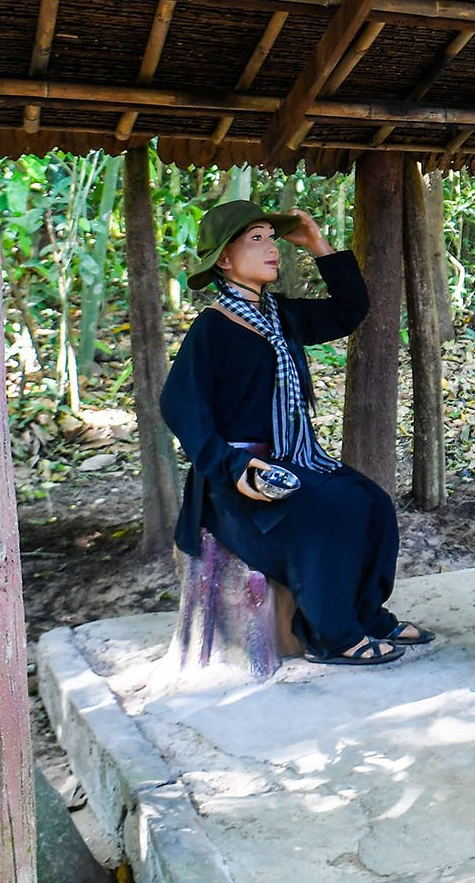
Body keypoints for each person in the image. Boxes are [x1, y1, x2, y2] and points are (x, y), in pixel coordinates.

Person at [160, 199, 432, 666]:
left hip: (295, 460)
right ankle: (332, 636)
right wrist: (235, 466)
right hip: (238, 481)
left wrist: (317, 243)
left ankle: (367, 614)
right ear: (224, 259)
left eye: (273, 237)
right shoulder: (212, 329)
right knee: (329, 516)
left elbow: (350, 309)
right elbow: (178, 405)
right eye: (257, 239)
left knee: (372, 504)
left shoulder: (280, 316)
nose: (272, 249)